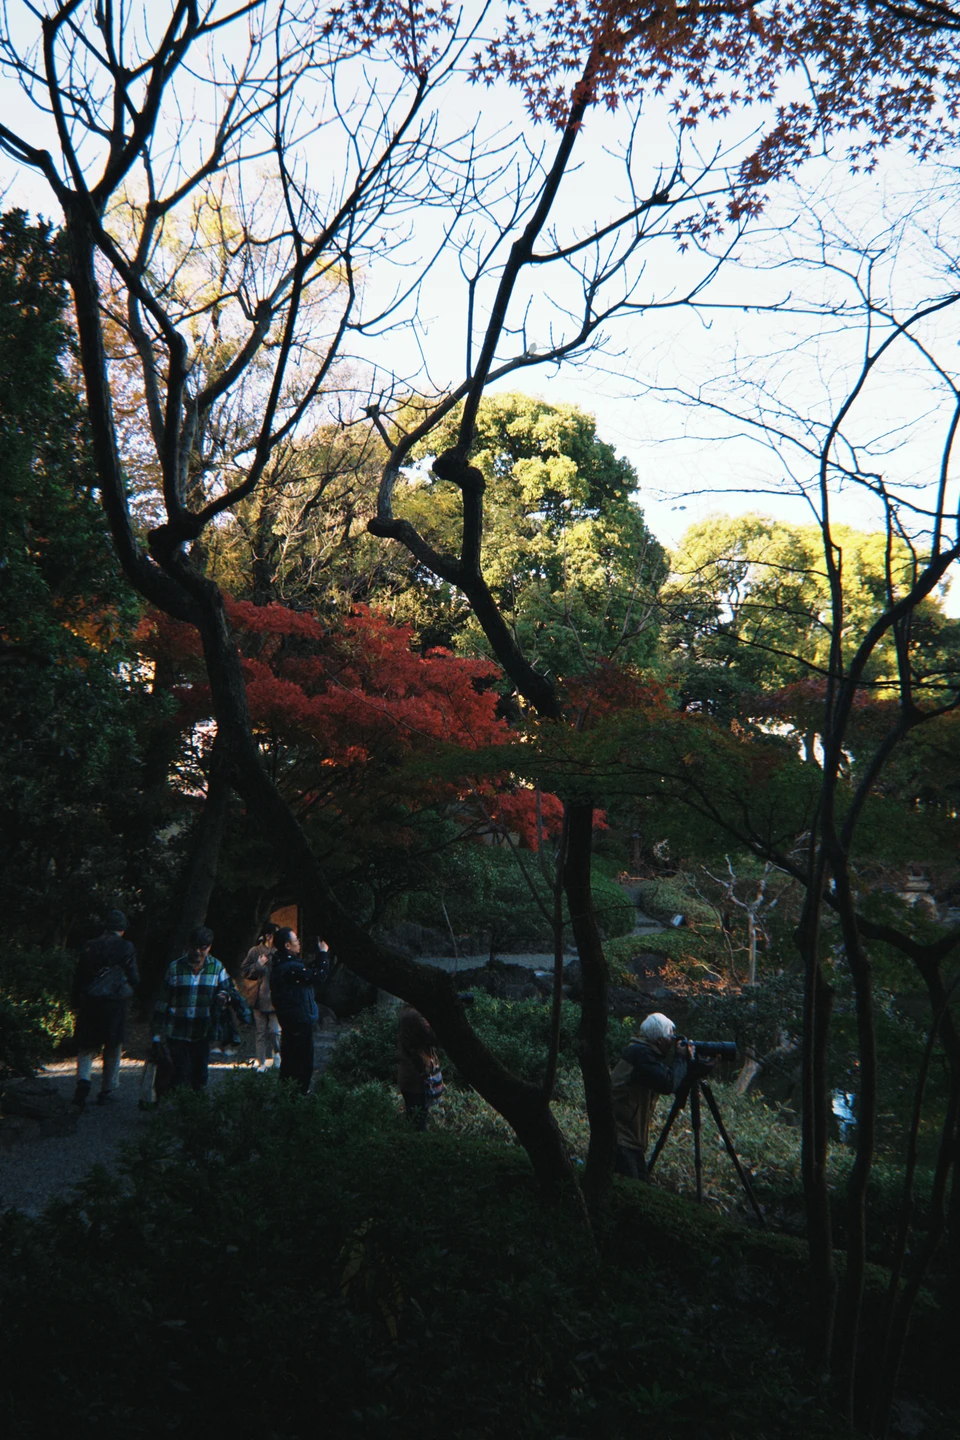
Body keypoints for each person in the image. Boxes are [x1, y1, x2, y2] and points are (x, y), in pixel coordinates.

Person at [610, 1011, 706, 1180]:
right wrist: (681, 1058)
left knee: (638, 1186)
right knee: (633, 1191)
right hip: (621, 1139)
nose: (673, 1041)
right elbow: (668, 1084)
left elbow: (674, 1082)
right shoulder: (641, 1056)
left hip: (626, 1138)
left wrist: (701, 1067)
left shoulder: (642, 1053)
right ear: (660, 1040)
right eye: (670, 1037)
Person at [71, 909, 139, 1109]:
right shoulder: (126, 947)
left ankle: (83, 1080)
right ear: (123, 929)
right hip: (115, 1004)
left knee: (86, 1047)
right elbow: (134, 978)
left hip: (90, 1002)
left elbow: (79, 977)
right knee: (113, 1047)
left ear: (105, 927)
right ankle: (107, 1090)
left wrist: (75, 1001)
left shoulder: (89, 946)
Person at [152, 925, 232, 1091]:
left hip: (202, 1031)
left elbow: (228, 989)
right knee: (179, 1076)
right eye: (194, 947)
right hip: (177, 1031)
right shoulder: (175, 968)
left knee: (200, 1076)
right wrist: (156, 1034)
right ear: (188, 945)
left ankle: (195, 1111)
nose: (197, 952)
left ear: (209, 947)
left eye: (202, 948)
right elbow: (162, 1001)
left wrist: (224, 996)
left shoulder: (217, 968)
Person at [269, 927, 319, 1092]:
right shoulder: (290, 967)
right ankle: (297, 1098)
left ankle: (288, 1096)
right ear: (288, 945)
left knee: (290, 1061)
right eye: (296, 940)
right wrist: (324, 953)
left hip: (292, 1019)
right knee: (302, 1063)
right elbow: (318, 976)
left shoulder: (281, 964)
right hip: (299, 1019)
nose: (299, 943)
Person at [240, 923, 281, 1072]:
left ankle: (277, 1054)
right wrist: (258, 964)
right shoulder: (255, 951)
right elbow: (245, 971)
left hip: (276, 997)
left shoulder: (280, 951)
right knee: (261, 1032)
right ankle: (261, 1062)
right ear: (268, 936)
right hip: (259, 996)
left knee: (275, 1031)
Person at [397, 1003, 443, 1131]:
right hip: (417, 1079)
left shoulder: (408, 1012)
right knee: (418, 1123)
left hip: (411, 1076)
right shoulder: (414, 1016)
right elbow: (436, 1039)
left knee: (415, 1118)